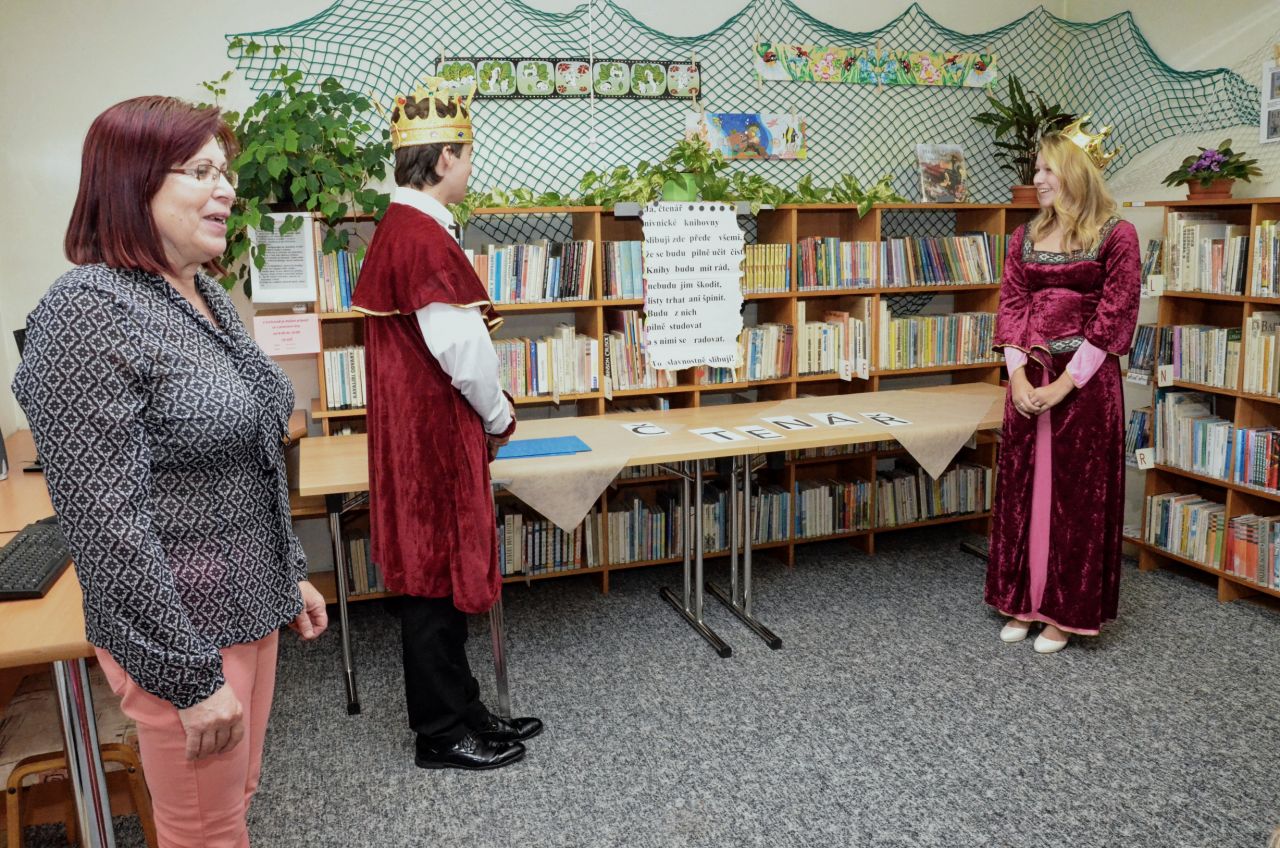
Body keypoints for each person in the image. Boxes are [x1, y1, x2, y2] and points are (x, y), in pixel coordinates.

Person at [12, 96, 328, 847]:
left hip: (245, 602)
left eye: (226, 171)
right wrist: (188, 677)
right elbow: (105, 525)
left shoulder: (200, 292)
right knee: (205, 831)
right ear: (133, 183)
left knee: (234, 802)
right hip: (180, 628)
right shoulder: (88, 310)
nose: (227, 190)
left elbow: (249, 455)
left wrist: (287, 572)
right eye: (202, 171)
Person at [352, 77, 542, 770]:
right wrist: (499, 414)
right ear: (441, 160)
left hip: (413, 435)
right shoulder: (424, 239)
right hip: (431, 439)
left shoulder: (400, 229)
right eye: (466, 156)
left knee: (437, 578)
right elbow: (465, 354)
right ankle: (440, 732)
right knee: (432, 585)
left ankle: (465, 709)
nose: (470, 168)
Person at [985, 118, 1140, 654]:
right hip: (1030, 377)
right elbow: (1012, 307)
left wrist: (1065, 386)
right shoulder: (1023, 237)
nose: (1038, 178)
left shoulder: (1117, 234)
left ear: (1075, 172)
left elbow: (1115, 317)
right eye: (1036, 168)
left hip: (1086, 387)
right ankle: (1023, 601)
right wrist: (1017, 377)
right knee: (1024, 490)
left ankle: (1063, 613)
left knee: (1077, 498)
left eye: (1047, 168)